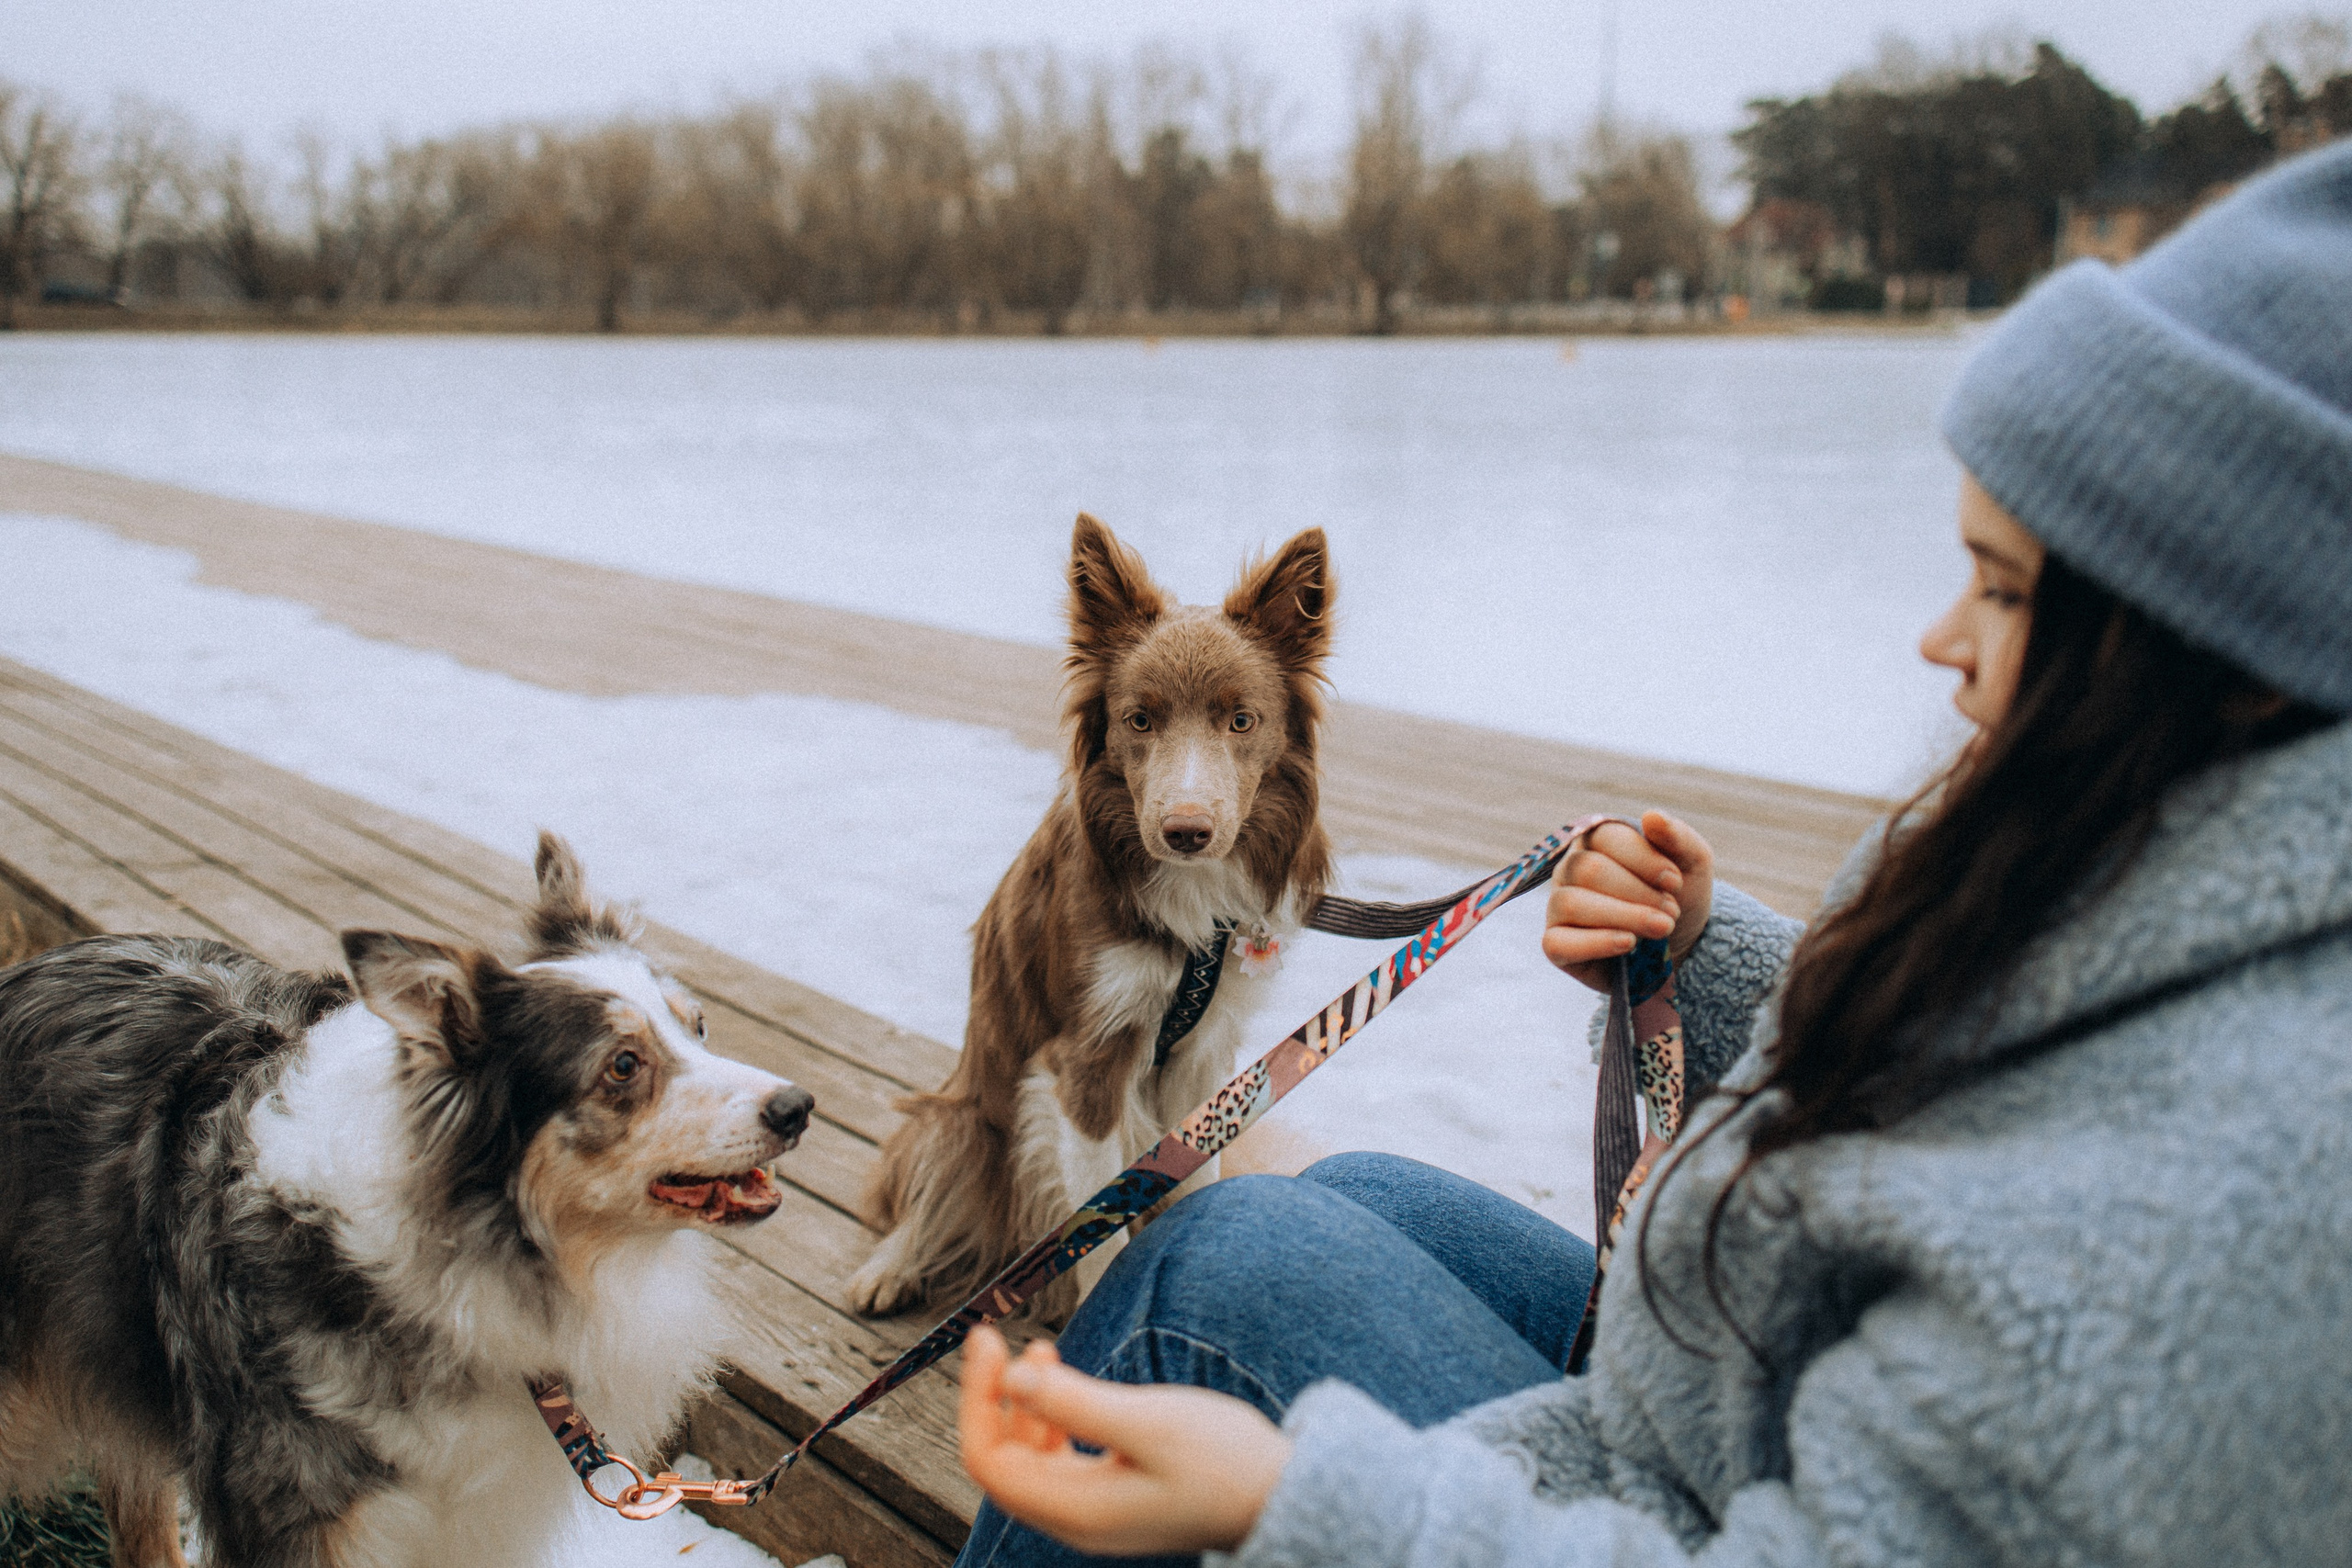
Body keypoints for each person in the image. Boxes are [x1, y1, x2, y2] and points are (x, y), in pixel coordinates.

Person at [952, 140, 2352, 1568]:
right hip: (1736, 1385)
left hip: (1710, 1509)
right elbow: (1987, 1075)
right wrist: (1709, 954)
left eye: (2000, 591)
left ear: (2236, 655)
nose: (1939, 638)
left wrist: (1306, 1504)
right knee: (1334, 1191)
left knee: (1215, 1265)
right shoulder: (2136, 829)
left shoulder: (2263, 1186)